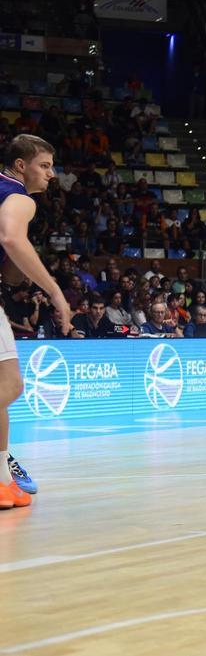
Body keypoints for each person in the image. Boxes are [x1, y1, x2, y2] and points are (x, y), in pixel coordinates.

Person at [0, 136, 74, 505]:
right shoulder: (19, 197)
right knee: (10, 386)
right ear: (20, 165)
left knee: (4, 386)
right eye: (44, 165)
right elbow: (12, 238)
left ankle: (2, 476)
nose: (52, 173)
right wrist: (56, 291)